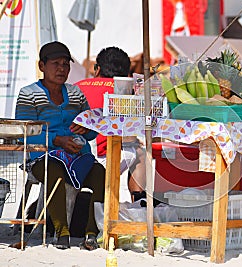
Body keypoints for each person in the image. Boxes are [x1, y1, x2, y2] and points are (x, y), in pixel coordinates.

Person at [15, 41, 105, 250]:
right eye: (56, 63)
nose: (62, 69)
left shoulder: (76, 94)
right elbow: (25, 134)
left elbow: (91, 131)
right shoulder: (29, 94)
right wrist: (57, 140)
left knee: (100, 173)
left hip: (78, 158)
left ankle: (91, 233)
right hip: (41, 158)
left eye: (66, 64)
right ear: (42, 66)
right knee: (53, 170)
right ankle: (61, 232)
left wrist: (86, 129)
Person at [75, 47, 146, 202]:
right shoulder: (127, 92)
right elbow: (132, 129)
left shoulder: (76, 86)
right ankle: (139, 203)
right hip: (104, 159)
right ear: (127, 74)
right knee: (141, 153)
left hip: (73, 156)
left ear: (97, 68)